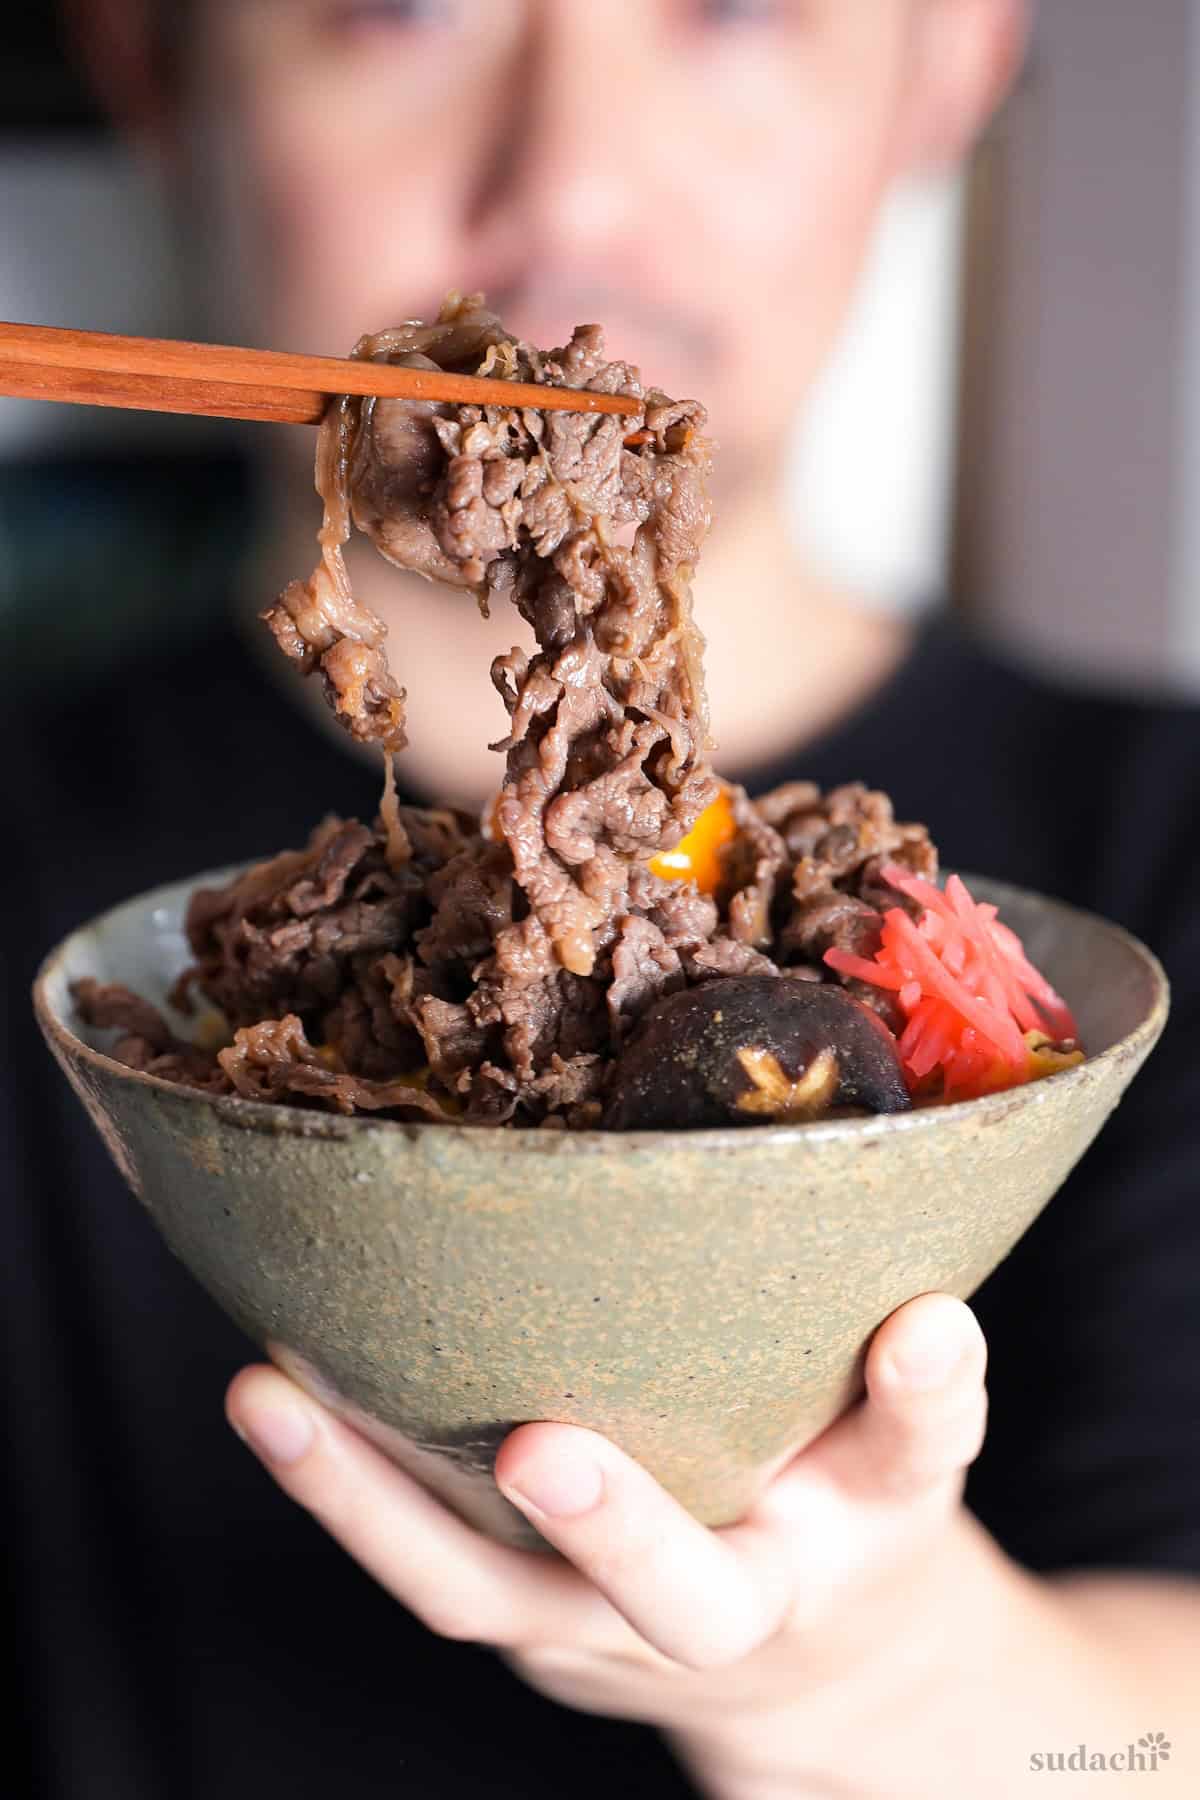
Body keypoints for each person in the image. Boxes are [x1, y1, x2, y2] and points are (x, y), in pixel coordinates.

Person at [7, 1, 1199, 1793]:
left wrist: (869, 1685)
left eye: (732, 10)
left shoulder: (1166, 850)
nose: (569, 183)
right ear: (149, 63)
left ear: (950, 60)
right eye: (404, 7)